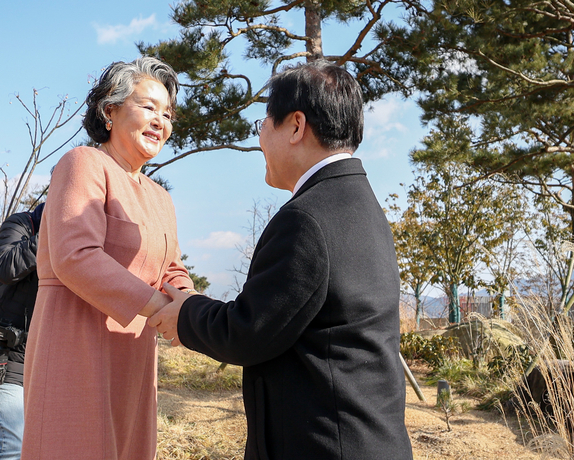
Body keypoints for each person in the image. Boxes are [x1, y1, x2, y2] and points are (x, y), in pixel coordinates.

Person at [150, 61, 413, 459]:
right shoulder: (360, 204)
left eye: (264, 124)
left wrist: (186, 313)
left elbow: (250, 331)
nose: (260, 139)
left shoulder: (307, 218)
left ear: (295, 125)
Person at [21, 57, 195, 460]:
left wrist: (189, 307)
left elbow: (172, 268)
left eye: (167, 113)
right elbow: (75, 255)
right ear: (110, 110)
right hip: (75, 345)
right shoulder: (83, 163)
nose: (160, 120)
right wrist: (159, 308)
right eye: (148, 106)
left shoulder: (159, 196)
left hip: (134, 355)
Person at [0, 201, 45, 460]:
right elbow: (5, 267)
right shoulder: (23, 224)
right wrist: (50, 235)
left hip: (44, 363)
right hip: (4, 357)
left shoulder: (85, 234)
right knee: (10, 449)